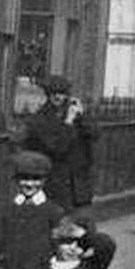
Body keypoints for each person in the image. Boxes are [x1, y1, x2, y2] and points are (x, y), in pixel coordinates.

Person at [29, 76, 94, 212]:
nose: (58, 97)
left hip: (79, 187)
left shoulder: (75, 114)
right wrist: (68, 122)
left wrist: (83, 116)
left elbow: (94, 134)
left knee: (82, 223)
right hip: (56, 186)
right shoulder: (40, 119)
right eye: (54, 93)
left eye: (62, 93)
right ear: (48, 95)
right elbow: (57, 147)